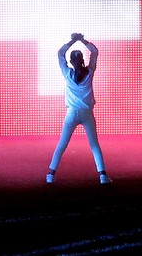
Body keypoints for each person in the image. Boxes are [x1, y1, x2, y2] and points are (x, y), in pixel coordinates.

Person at [47, 33, 110, 184]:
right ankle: (103, 176)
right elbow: (94, 51)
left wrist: (73, 41)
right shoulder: (90, 71)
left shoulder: (67, 72)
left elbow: (60, 52)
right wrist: (82, 40)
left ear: (70, 61)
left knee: (62, 144)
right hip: (87, 113)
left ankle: (50, 175)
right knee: (94, 145)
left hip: (71, 113)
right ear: (82, 60)